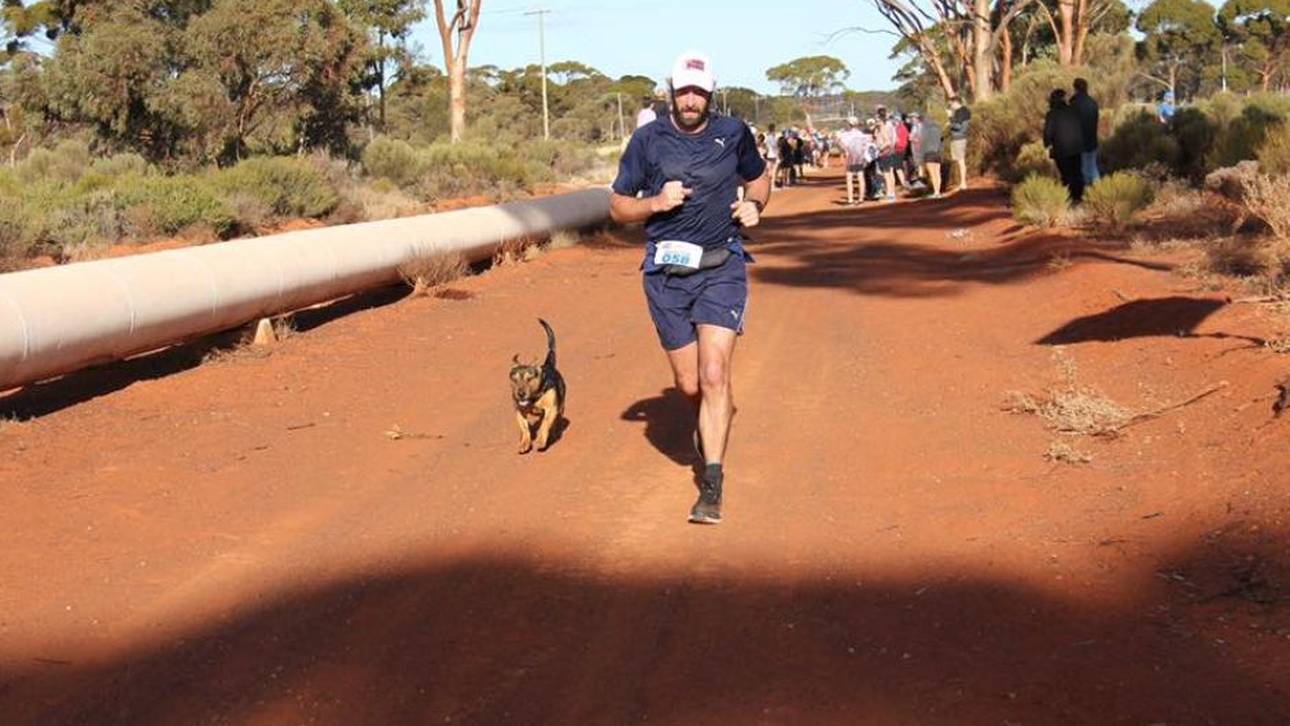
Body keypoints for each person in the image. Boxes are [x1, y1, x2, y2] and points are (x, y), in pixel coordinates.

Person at [609, 50, 771, 525]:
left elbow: (759, 180)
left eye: (700, 91)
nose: (692, 99)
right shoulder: (648, 140)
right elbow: (618, 206)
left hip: (722, 264)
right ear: (671, 90)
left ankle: (712, 483)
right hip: (666, 277)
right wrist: (656, 202)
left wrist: (755, 206)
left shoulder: (733, 133)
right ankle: (710, 417)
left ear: (711, 93)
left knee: (714, 373)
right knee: (689, 384)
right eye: (684, 90)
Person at [1044, 88, 1085, 203]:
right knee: (1077, 173)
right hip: (1077, 147)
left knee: (1066, 175)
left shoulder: (1051, 114)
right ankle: (1079, 198)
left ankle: (1068, 199)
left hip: (1061, 149)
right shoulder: (1074, 111)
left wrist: (1047, 145)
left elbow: (1048, 132)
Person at [1070, 77, 1100, 186]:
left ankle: (1088, 193)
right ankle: (1099, 191)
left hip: (1079, 142)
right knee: (1092, 167)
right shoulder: (1093, 103)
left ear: (1075, 88)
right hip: (1092, 139)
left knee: (1083, 170)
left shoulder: (1074, 103)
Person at [838, 116, 869, 205]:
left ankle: (850, 199)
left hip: (850, 157)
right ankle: (861, 198)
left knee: (849, 178)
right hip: (859, 157)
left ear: (850, 124)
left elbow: (842, 144)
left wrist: (842, 147)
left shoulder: (846, 134)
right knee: (860, 177)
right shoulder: (860, 134)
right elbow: (865, 145)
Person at [875, 106, 900, 202]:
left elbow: (887, 141)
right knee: (890, 173)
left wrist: (880, 149)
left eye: (877, 119)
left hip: (885, 152)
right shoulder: (890, 125)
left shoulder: (883, 127)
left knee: (886, 174)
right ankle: (891, 193)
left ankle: (890, 195)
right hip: (890, 151)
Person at [948, 97, 971, 192]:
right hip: (959, 138)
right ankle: (961, 182)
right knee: (959, 161)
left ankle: (963, 183)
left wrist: (950, 118)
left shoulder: (961, 112)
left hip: (959, 138)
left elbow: (958, 126)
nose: (951, 106)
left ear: (956, 102)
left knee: (960, 161)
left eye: (951, 104)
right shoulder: (964, 111)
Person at [919, 112, 944, 199]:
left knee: (933, 174)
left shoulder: (925, 129)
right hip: (938, 153)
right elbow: (941, 141)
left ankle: (936, 192)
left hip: (929, 153)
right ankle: (938, 191)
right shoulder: (938, 128)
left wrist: (921, 158)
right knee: (937, 173)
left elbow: (923, 142)